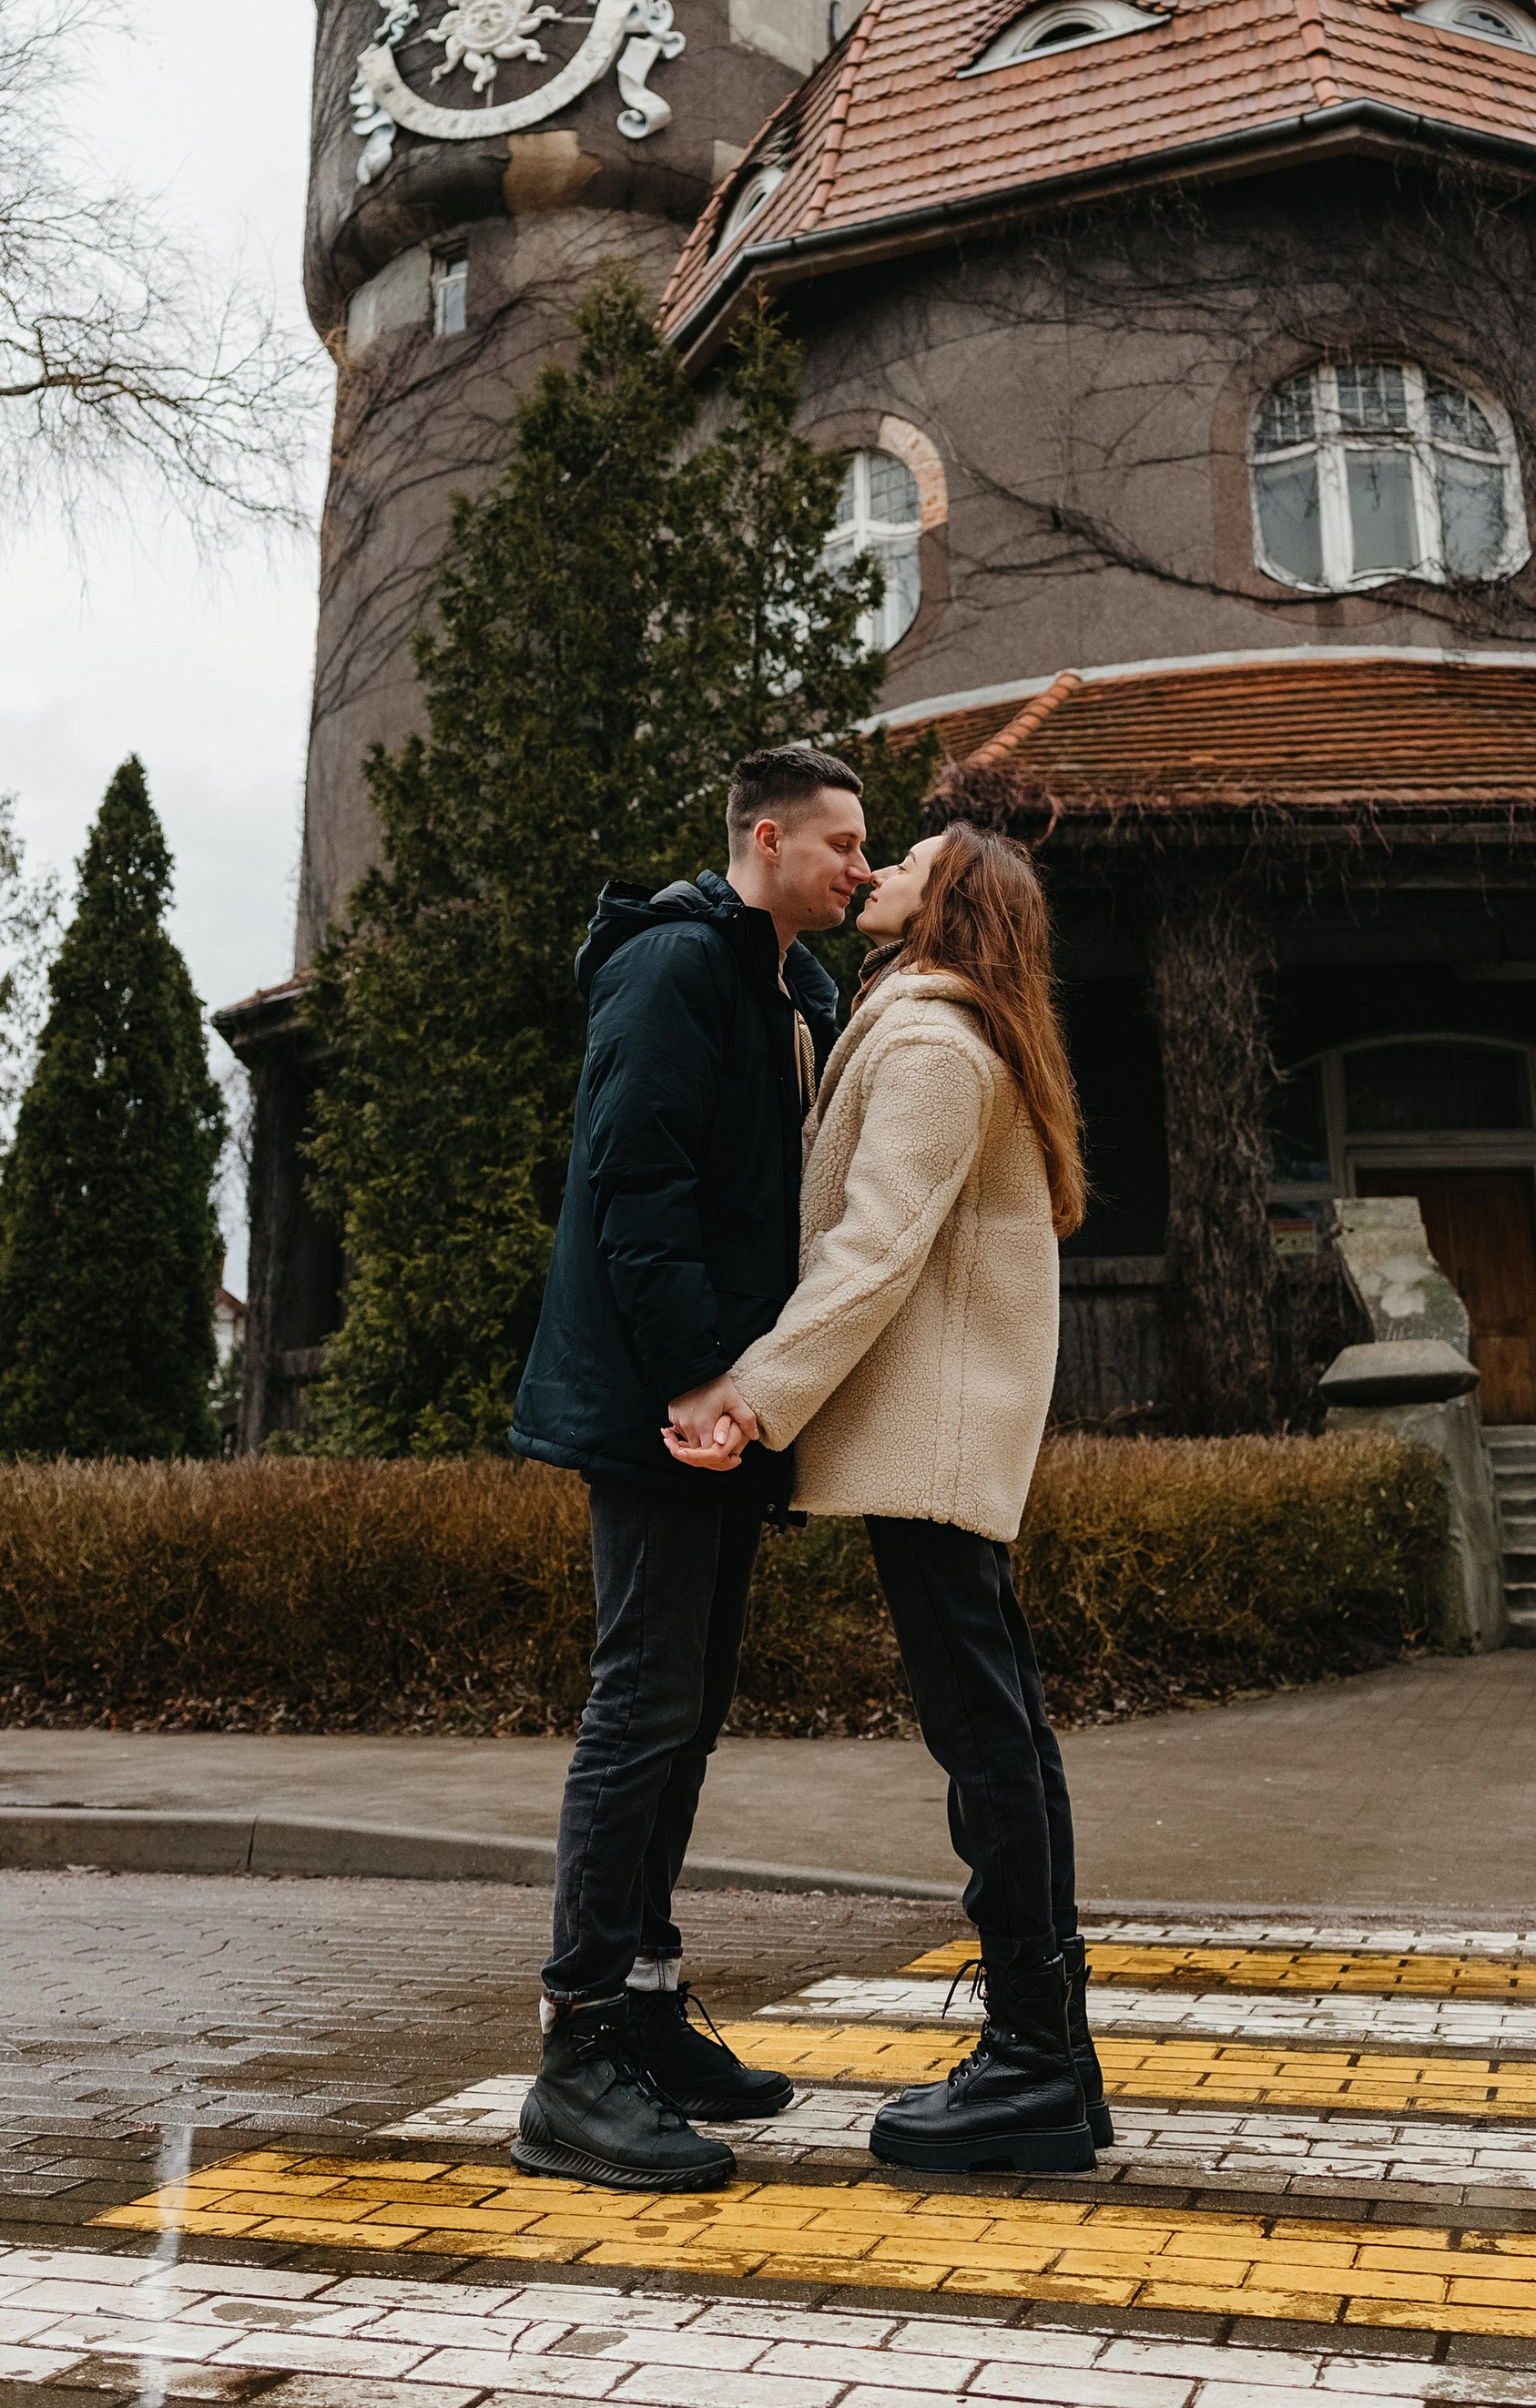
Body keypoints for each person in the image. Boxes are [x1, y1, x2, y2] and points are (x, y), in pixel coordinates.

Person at [667, 820, 1106, 2177]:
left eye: (905, 864)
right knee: (1002, 1735)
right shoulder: (956, 1031)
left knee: (988, 1743)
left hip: (929, 1439)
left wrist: (754, 1393)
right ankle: (1053, 2059)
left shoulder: (927, 1043)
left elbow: (872, 1247)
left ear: (948, 906)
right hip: (951, 1437)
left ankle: (1035, 2063)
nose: (878, 875)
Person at [506, 743, 870, 2191]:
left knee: (690, 1702)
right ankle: (576, 2055)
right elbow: (631, 1189)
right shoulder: (674, 968)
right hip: (663, 1402)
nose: (859, 863)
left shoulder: (798, 991)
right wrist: (701, 1383)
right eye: (839, 842)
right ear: (766, 838)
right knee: (641, 1701)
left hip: (726, 1398)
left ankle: (647, 2014)